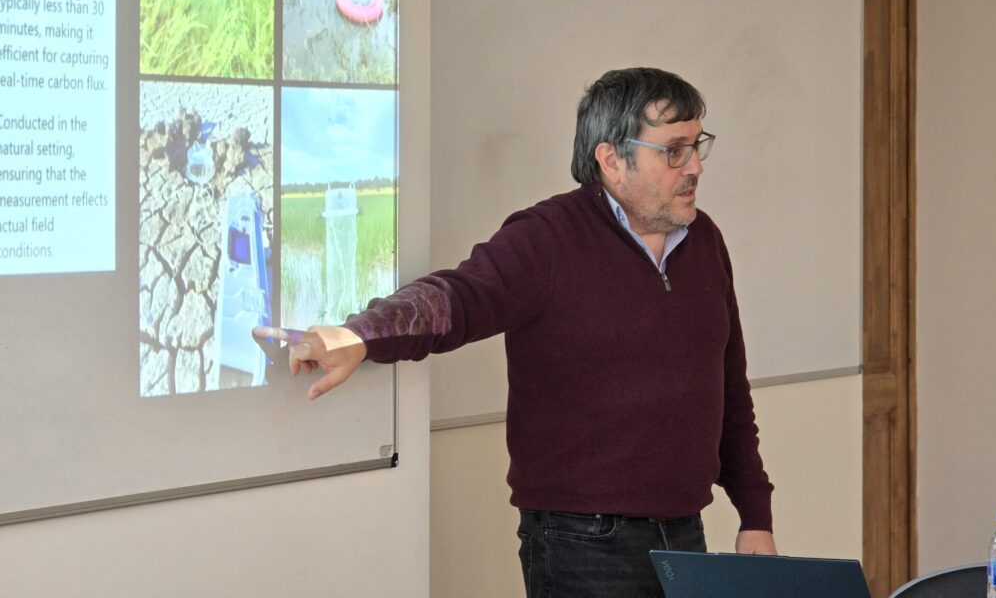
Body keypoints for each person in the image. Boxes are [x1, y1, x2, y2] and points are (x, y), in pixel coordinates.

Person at [274, 67, 776, 597]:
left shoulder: (705, 241)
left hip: (684, 533)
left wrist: (755, 515)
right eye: (673, 150)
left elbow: (729, 391)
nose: (695, 166)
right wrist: (361, 334)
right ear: (611, 160)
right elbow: (458, 298)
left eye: (697, 146)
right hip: (581, 541)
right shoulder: (547, 238)